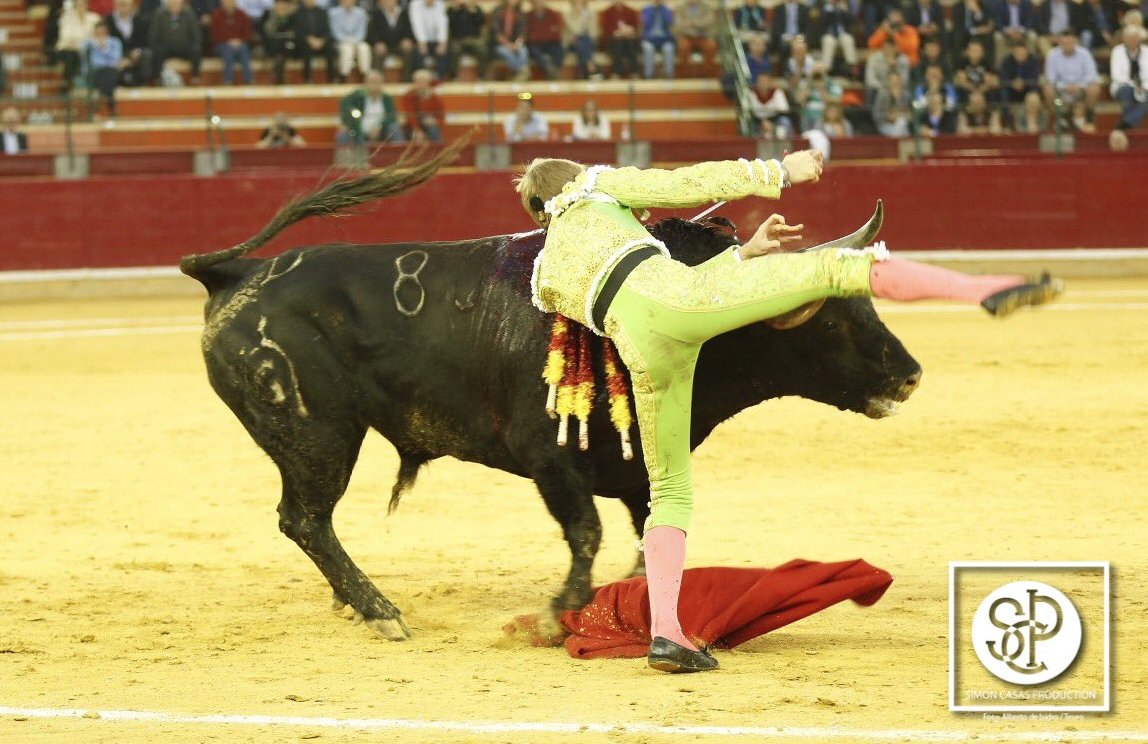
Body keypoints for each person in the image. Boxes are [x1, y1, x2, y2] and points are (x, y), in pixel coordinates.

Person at [512, 152, 1061, 673]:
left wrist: (741, 254)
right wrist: (779, 169)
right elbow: (685, 188)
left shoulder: (547, 270)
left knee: (670, 490)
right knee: (841, 269)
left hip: (644, 351)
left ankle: (669, 635)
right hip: (681, 302)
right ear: (575, 180)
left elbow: (634, 300)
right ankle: (987, 290)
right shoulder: (595, 188)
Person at [1041, 30, 1100, 113]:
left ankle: (1088, 116)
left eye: (1070, 42)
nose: (1067, 45)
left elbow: (1091, 76)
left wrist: (1079, 86)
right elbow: (1051, 79)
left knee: (1094, 88)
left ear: (1076, 41)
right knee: (1048, 89)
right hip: (1060, 96)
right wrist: (1064, 87)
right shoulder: (1052, 55)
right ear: (1059, 42)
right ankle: (1058, 115)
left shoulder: (1085, 54)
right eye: (1064, 43)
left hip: (1081, 92)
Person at [339, 68, 402, 143]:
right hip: (359, 129)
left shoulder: (386, 98)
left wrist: (380, 126)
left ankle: (400, 152)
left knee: (394, 128)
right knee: (342, 135)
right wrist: (345, 122)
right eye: (371, 81)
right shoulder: (358, 96)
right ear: (365, 83)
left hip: (381, 131)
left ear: (382, 83)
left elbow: (392, 116)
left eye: (376, 82)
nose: (374, 84)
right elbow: (344, 103)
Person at [150, 0, 202, 84]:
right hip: (166, 48)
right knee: (157, 51)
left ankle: (195, 77)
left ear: (181, 5)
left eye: (177, 4)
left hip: (184, 48)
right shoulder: (159, 14)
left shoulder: (189, 14)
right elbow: (154, 35)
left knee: (196, 49)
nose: (174, 6)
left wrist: (194, 45)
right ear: (167, 5)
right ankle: (157, 79)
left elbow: (196, 35)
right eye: (172, 4)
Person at [106, 0, 153, 86]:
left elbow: (145, 41)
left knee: (147, 54)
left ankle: (144, 83)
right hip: (117, 54)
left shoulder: (140, 19)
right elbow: (107, 42)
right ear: (116, 6)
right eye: (121, 4)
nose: (123, 7)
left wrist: (139, 50)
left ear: (131, 6)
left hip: (136, 53)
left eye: (125, 5)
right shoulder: (108, 21)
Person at [1110, 26, 1148, 131]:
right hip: (1123, 86)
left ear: (1140, 39)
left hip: (1145, 87)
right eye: (1130, 38)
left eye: (1135, 38)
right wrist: (1135, 86)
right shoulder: (1117, 51)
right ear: (1124, 39)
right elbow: (1116, 76)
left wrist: (1144, 87)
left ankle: (1126, 123)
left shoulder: (1146, 51)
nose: (1133, 41)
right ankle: (1129, 123)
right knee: (1127, 91)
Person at [57, 0, 101, 90]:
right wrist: (82, 42)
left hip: (89, 50)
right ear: (75, 5)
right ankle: (70, 85)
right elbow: (66, 38)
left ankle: (85, 84)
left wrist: (80, 42)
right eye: (79, 4)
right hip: (70, 50)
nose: (82, 6)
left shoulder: (95, 18)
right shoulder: (66, 18)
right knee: (70, 54)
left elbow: (98, 37)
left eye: (84, 3)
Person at [84, 20, 123, 115]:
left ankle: (97, 95)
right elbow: (90, 61)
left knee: (109, 72)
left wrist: (105, 49)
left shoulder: (115, 42)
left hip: (110, 71)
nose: (100, 34)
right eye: (98, 32)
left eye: (102, 32)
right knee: (103, 73)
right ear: (94, 32)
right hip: (95, 72)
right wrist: (96, 45)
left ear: (107, 32)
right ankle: (112, 106)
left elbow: (116, 58)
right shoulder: (89, 44)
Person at [210, 0, 253, 84]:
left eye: (231, 1)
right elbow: (215, 35)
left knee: (244, 49)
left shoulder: (242, 14)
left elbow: (248, 33)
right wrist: (228, 41)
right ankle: (227, 81)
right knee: (227, 51)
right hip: (222, 45)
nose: (229, 3)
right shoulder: (217, 15)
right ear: (222, 3)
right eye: (226, 1)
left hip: (240, 44)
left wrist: (239, 41)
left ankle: (248, 80)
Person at [368, 0, 414, 75]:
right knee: (377, 52)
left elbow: (409, 31)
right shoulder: (377, 14)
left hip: (400, 45)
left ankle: (406, 80)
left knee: (409, 51)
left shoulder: (403, 14)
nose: (388, 2)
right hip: (383, 45)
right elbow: (372, 32)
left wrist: (407, 40)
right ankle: (379, 80)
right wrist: (377, 43)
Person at [295, 0, 336, 83]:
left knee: (330, 49)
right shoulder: (298, 13)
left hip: (321, 41)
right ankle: (307, 79)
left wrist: (322, 40)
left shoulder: (322, 12)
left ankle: (331, 78)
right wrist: (309, 39)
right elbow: (297, 31)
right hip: (306, 41)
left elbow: (327, 30)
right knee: (305, 49)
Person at [330, 0, 371, 82]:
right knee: (347, 49)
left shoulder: (361, 13)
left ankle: (365, 76)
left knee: (364, 48)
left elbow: (362, 31)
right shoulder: (333, 13)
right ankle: (344, 76)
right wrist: (347, 40)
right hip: (340, 41)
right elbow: (335, 31)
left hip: (357, 40)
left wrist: (354, 41)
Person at [408, 0, 449, 80]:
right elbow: (416, 24)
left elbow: (443, 23)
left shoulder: (440, 3)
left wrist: (442, 42)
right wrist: (422, 42)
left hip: (436, 40)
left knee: (445, 51)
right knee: (417, 53)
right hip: (419, 40)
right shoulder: (415, 4)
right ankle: (420, 79)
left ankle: (440, 79)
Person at [490, 0, 529, 81]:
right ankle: (520, 72)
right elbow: (497, 33)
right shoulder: (497, 12)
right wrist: (507, 45)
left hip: (516, 44)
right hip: (500, 45)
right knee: (508, 53)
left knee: (523, 51)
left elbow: (522, 34)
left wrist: (517, 44)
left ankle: (521, 73)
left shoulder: (521, 14)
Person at [600, 0, 639, 78]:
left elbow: (635, 27)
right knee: (618, 43)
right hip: (613, 40)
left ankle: (634, 72)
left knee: (630, 43)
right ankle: (616, 72)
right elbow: (606, 29)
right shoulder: (607, 12)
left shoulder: (630, 11)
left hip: (628, 39)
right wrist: (617, 32)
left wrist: (629, 30)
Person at [525, 0, 564, 79]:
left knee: (559, 49)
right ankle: (549, 69)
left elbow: (557, 31)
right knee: (534, 50)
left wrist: (541, 34)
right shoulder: (528, 16)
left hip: (551, 41)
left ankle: (555, 71)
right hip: (535, 43)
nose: (538, 3)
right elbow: (529, 34)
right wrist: (545, 33)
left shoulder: (553, 14)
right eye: (536, 2)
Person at [402, 68, 444, 141]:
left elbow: (441, 116)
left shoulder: (434, 97)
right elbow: (410, 116)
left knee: (433, 129)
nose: (420, 84)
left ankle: (437, 150)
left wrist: (435, 121)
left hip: (429, 124)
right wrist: (417, 130)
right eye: (418, 82)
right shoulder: (408, 96)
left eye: (423, 82)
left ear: (428, 83)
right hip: (413, 125)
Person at [820, 0, 859, 76]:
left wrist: (845, 11)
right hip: (829, 34)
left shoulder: (846, 4)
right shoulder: (824, 5)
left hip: (842, 34)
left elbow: (852, 21)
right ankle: (825, 71)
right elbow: (820, 23)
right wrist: (829, 8)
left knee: (848, 39)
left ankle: (853, 69)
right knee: (829, 41)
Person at [262, 0, 297, 84]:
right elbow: (266, 32)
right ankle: (280, 79)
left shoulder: (291, 16)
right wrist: (275, 18)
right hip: (273, 45)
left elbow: (293, 32)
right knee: (279, 51)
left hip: (287, 45)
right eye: (279, 3)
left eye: (283, 3)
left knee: (284, 49)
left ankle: (276, 73)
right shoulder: (269, 14)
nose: (281, 5)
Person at [448, 0, 487, 74]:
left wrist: (474, 12)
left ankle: (482, 75)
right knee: (454, 50)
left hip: (474, 40)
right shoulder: (452, 10)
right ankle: (453, 75)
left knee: (483, 50)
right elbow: (450, 24)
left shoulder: (476, 8)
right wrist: (456, 10)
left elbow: (482, 22)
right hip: (458, 40)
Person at [640, 0, 674, 79]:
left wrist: (663, 9)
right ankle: (648, 76)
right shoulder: (647, 9)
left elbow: (669, 21)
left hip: (664, 38)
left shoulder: (666, 9)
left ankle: (669, 75)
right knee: (648, 49)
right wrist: (653, 9)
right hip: (649, 38)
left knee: (669, 49)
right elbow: (646, 22)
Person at [564, 0, 598, 79]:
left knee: (584, 41)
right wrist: (578, 14)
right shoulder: (568, 13)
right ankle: (590, 67)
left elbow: (593, 30)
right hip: (571, 42)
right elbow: (574, 29)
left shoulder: (590, 13)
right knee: (581, 41)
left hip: (587, 41)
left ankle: (581, 72)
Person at [872, 69, 911, 136]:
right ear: (888, 82)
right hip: (885, 124)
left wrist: (898, 99)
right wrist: (888, 117)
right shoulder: (882, 94)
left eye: (897, 80)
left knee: (901, 123)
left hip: (903, 124)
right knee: (900, 126)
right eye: (892, 80)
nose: (895, 82)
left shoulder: (905, 95)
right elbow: (876, 115)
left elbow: (910, 113)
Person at [675, 0, 715, 64]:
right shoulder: (681, 7)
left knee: (711, 46)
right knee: (682, 47)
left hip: (703, 36)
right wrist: (698, 24)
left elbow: (709, 21)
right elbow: (679, 24)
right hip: (687, 36)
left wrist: (693, 23)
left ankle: (706, 72)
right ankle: (686, 72)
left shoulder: (705, 6)